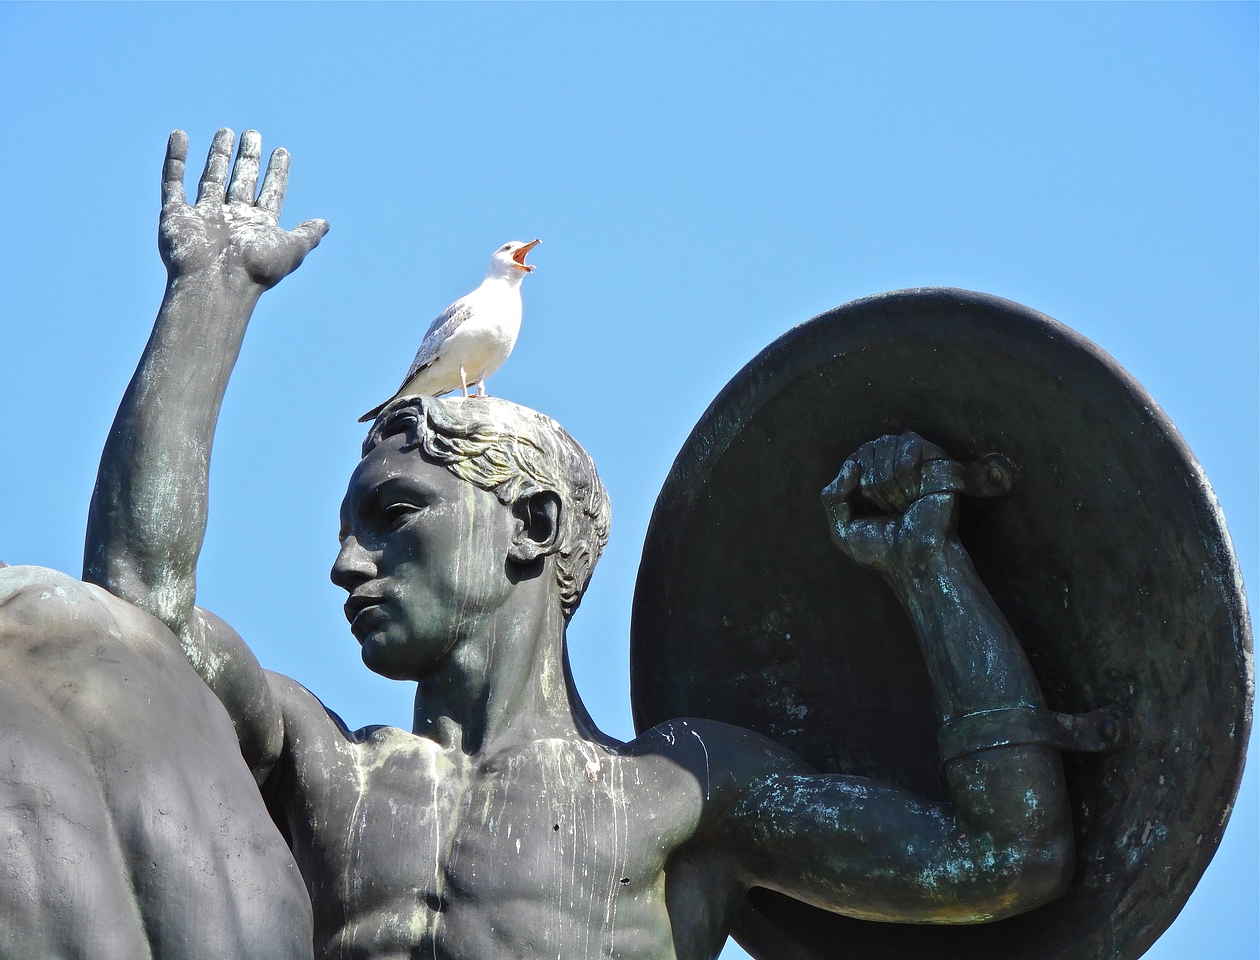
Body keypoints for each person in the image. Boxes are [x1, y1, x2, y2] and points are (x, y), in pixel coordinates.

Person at [82, 129, 1073, 959]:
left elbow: (1005, 859)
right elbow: (134, 621)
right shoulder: (321, 768)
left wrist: (928, 569)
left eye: (394, 517)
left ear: (533, 527)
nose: (346, 566)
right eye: (349, 530)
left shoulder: (681, 793)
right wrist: (210, 292)